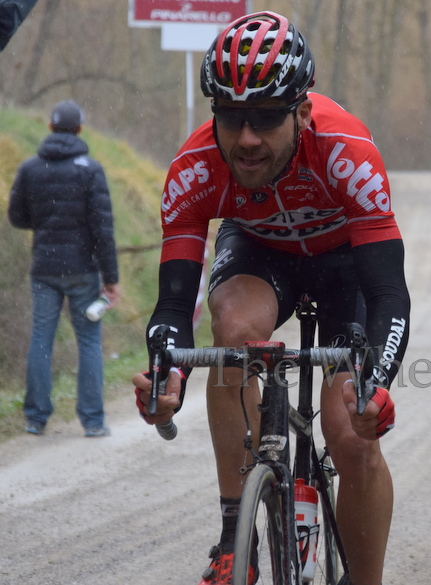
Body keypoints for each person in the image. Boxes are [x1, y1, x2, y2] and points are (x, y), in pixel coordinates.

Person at [130, 12, 411, 585]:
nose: (247, 138)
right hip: (260, 254)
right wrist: (167, 379)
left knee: (351, 434)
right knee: (232, 332)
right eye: (231, 118)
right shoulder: (194, 167)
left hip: (343, 266)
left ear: (302, 112)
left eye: (265, 117)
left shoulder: (346, 151)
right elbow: (172, 303)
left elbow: (388, 292)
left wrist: (373, 384)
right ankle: (237, 536)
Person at [8, 99, 120, 437]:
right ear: (80, 130)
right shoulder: (90, 169)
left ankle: (35, 418)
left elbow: (17, 216)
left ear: (50, 128)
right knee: (88, 341)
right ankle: (93, 422)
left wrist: (45, 225)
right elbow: (103, 229)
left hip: (43, 267)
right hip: (83, 270)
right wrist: (111, 278)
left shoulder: (30, 168)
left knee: (41, 339)